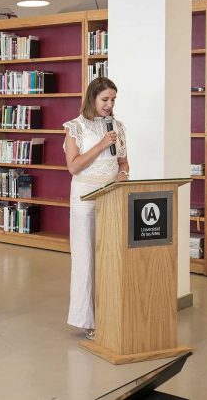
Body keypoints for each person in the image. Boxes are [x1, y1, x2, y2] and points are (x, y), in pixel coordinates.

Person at [63, 77, 130, 340]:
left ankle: (110, 312)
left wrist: (123, 175)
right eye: (105, 99)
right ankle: (87, 320)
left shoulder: (118, 127)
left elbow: (123, 162)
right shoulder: (75, 127)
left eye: (113, 99)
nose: (109, 104)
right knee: (86, 257)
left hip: (112, 196)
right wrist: (101, 144)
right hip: (85, 197)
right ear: (92, 98)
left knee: (111, 255)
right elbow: (73, 167)